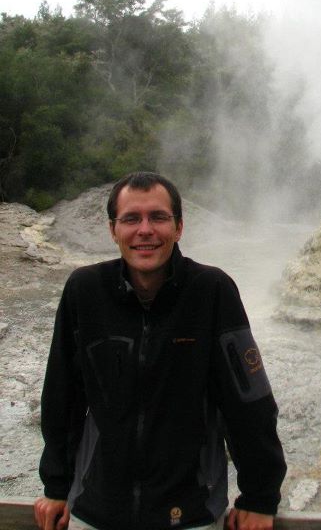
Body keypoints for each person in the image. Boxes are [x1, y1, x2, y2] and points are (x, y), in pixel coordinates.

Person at [34, 172, 286, 530]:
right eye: (131, 219)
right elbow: (62, 397)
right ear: (112, 229)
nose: (145, 230)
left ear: (179, 227)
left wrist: (260, 498)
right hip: (95, 512)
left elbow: (248, 401)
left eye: (158, 217)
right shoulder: (85, 290)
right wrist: (57, 485)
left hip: (190, 512)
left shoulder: (212, 290)